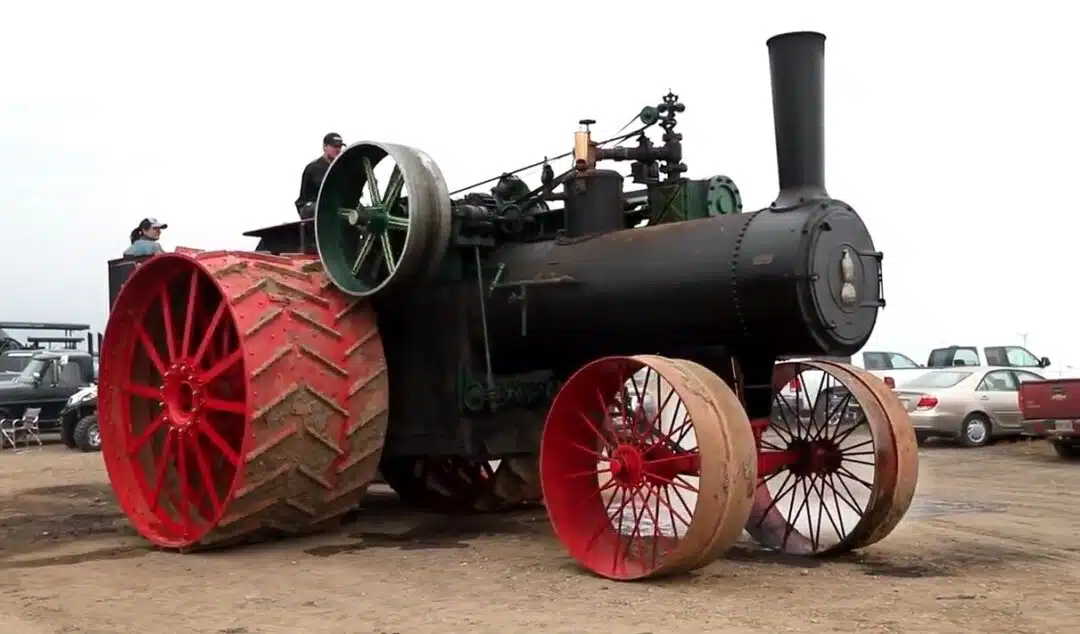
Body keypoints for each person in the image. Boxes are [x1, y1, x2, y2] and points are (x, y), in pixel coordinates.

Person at [295, 132, 346, 219]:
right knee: (329, 205)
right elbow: (327, 190)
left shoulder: (340, 168)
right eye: (334, 147)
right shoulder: (315, 167)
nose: (338, 150)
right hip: (308, 206)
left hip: (329, 204)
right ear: (325, 147)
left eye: (339, 147)